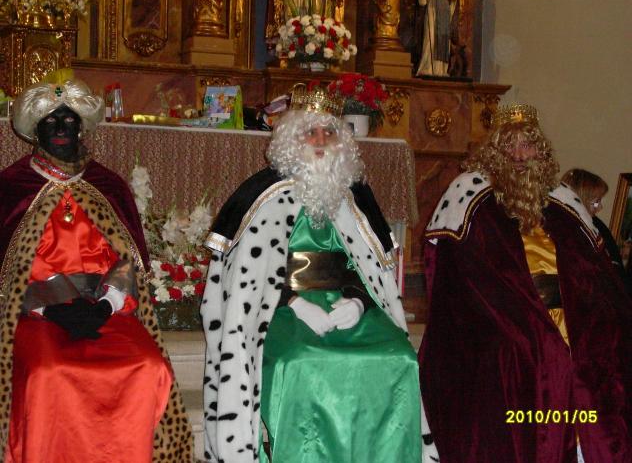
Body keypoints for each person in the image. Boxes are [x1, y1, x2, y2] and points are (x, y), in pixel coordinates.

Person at [201, 85, 430, 463]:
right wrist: (294, 302)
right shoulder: (263, 194)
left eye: (330, 132)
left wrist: (358, 302)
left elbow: (369, 268)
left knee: (398, 356)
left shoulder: (355, 196)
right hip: (279, 308)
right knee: (300, 361)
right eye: (311, 132)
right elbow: (246, 276)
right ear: (292, 139)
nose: (321, 140)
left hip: (345, 305)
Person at [419, 104, 632, 462]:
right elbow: (464, 279)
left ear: (541, 151)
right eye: (510, 146)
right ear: (495, 151)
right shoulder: (469, 195)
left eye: (527, 145)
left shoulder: (563, 200)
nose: (519, 155)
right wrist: (525, 319)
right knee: (536, 355)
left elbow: (595, 274)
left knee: (605, 347)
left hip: (569, 315)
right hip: (503, 319)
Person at [0, 75, 192, 462]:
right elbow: (11, 276)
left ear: (82, 127)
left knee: (146, 365)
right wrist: (51, 309)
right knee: (49, 372)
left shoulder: (108, 185)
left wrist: (105, 305)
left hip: (106, 311)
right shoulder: (10, 187)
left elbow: (128, 264)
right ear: (35, 130)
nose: (60, 128)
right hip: (37, 315)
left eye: (69, 120)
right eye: (50, 121)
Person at [561, 168, 631, 294]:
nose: (600, 207)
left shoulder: (596, 226)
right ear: (581, 198)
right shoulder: (564, 227)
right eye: (596, 202)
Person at [416, 0, 457, 77]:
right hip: (433, 8)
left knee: (442, 40)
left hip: (444, 8)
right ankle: (428, 68)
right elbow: (422, 0)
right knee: (430, 40)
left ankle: (440, 70)